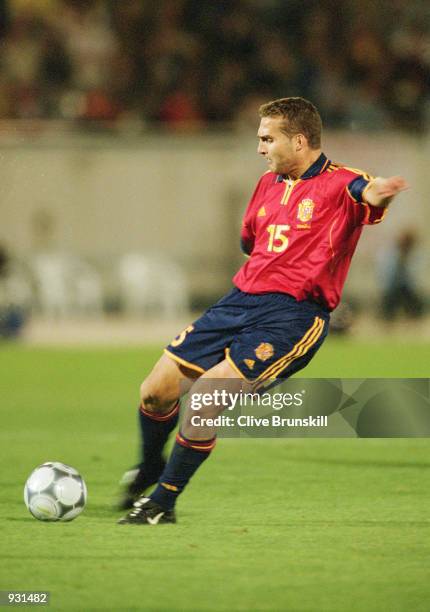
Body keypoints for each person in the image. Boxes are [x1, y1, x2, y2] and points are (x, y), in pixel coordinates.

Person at [118, 97, 407, 525]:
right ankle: (149, 467)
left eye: (267, 139)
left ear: (300, 140)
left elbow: (367, 194)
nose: (260, 149)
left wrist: (379, 193)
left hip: (292, 317)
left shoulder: (343, 181)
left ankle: (163, 502)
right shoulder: (267, 184)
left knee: (203, 401)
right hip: (238, 301)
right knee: (155, 391)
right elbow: (251, 242)